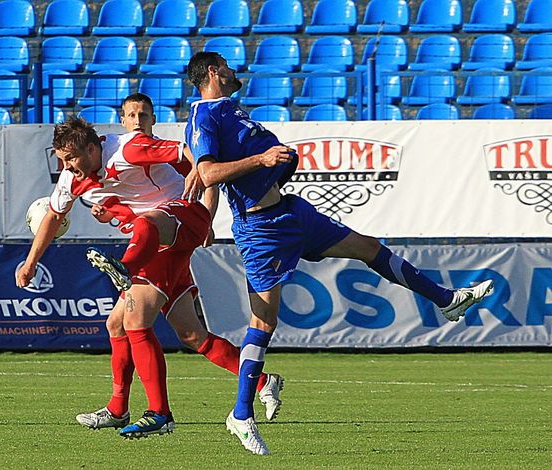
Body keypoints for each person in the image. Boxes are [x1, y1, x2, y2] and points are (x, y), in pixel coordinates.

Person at [184, 52, 494, 455]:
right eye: (225, 64)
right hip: (261, 230)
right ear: (213, 71)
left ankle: (448, 300)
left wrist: (276, 164)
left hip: (292, 212)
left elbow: (209, 173)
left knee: (369, 248)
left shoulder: (230, 111)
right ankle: (241, 414)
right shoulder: (205, 116)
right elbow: (208, 174)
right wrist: (261, 159)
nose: (232, 68)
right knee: (263, 323)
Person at [75, 94, 283, 433]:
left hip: (165, 240)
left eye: (143, 113)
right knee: (190, 334)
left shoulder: (148, 150)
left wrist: (207, 220)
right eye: (131, 114)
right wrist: (106, 213)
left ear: (153, 118)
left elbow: (207, 176)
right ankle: (263, 381)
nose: (138, 119)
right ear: (124, 120)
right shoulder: (116, 158)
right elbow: (125, 207)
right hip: (160, 240)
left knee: (130, 322)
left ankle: (149, 412)